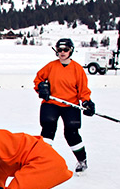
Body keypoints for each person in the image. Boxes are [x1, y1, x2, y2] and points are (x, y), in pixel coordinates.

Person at [33, 38, 94, 173]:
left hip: (70, 104)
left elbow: (83, 90)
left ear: (70, 50)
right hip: (52, 103)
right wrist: (41, 88)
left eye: (65, 49)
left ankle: (82, 160)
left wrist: (86, 102)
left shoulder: (77, 69)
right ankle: (41, 160)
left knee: (71, 133)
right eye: (60, 50)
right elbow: (38, 79)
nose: (62, 52)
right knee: (48, 130)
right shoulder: (50, 66)